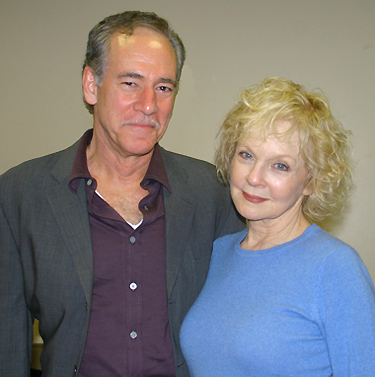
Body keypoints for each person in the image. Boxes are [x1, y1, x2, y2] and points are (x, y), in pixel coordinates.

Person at [0, 11, 244, 377]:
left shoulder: (215, 192)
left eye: (164, 87)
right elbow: (7, 336)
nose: (149, 105)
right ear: (91, 85)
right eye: (131, 83)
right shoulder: (20, 194)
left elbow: (242, 317)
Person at [180, 77, 375, 376]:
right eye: (246, 155)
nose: (254, 177)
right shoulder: (219, 252)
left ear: (312, 181)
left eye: (280, 165)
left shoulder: (334, 267)